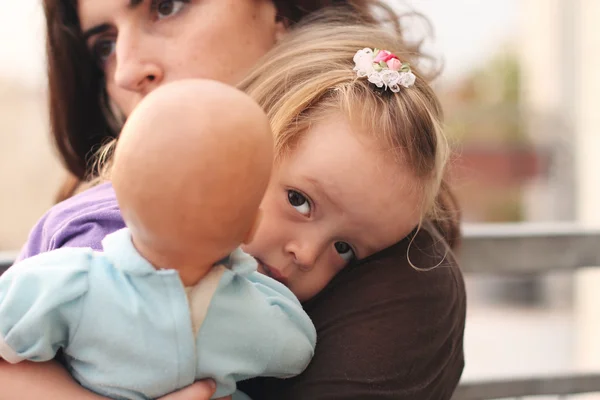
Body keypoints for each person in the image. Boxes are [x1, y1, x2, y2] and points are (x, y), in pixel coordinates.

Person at [2, 2, 466, 400]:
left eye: (167, 4)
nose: (123, 70)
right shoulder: (92, 232)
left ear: (283, 10)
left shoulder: (400, 282)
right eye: (103, 45)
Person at [0, 79, 316, 399]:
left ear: (116, 193)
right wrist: (251, 278)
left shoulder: (72, 280)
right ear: (251, 226)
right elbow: (298, 350)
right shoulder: (250, 311)